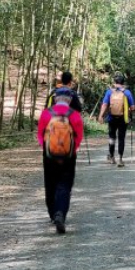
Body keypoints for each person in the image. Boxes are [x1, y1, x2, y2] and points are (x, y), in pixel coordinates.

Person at [36, 100, 84, 234]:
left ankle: (52, 214)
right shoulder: (74, 114)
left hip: (49, 155)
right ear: (69, 100)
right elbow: (79, 136)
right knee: (65, 184)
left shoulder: (47, 113)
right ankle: (60, 213)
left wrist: (46, 148)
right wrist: (72, 150)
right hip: (68, 156)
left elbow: (40, 134)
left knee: (50, 183)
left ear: (56, 100)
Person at [95, 74, 135, 167]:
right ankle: (120, 159)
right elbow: (133, 107)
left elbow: (104, 105)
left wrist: (100, 116)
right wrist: (127, 110)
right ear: (123, 83)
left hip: (111, 118)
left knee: (112, 138)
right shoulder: (127, 92)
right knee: (121, 138)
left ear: (114, 82)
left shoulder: (109, 92)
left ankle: (112, 158)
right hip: (123, 119)